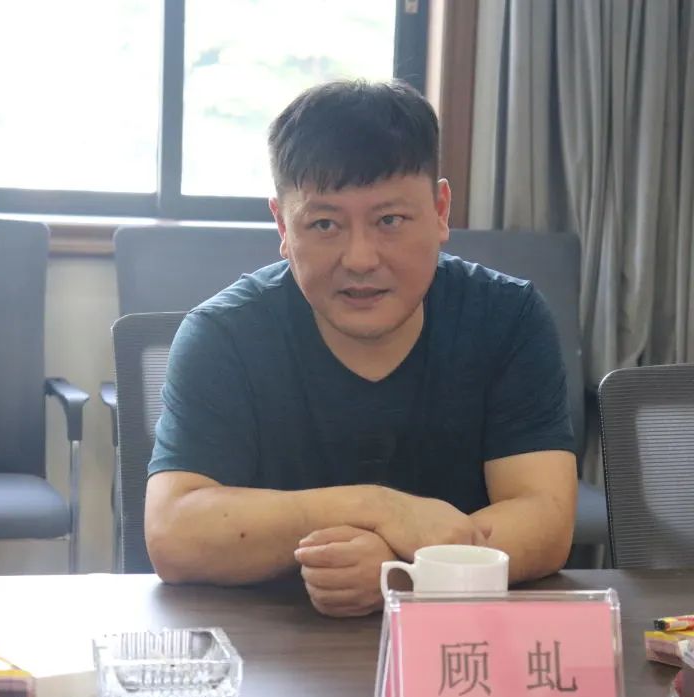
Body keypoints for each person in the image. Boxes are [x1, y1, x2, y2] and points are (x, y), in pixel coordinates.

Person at [145, 79, 577, 617]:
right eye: (324, 223)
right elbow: (173, 534)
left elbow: (544, 517)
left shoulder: (508, 318)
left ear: (440, 210)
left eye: (389, 220)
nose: (360, 259)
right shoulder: (223, 335)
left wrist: (404, 570)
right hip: (265, 644)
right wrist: (375, 507)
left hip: (456, 637)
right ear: (282, 225)